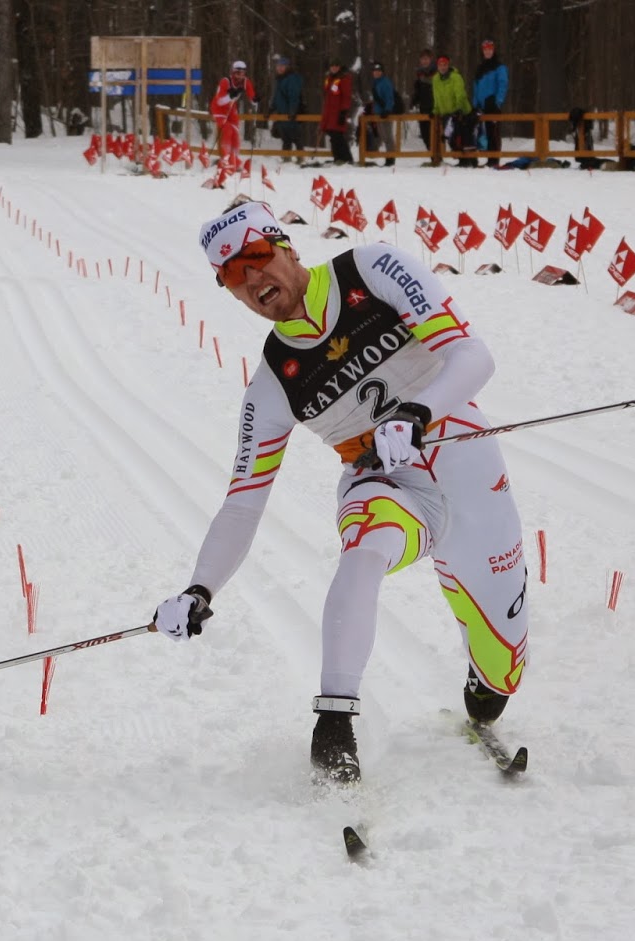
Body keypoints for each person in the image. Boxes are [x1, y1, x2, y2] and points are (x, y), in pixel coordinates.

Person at [154, 197, 527, 784]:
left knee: (501, 674)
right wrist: (199, 589)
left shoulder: (371, 270)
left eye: (257, 256)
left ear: (286, 246)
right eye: (231, 274)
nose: (251, 279)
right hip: (388, 485)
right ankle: (334, 722)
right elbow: (243, 502)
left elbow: (473, 354)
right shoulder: (272, 385)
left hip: (468, 470)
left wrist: (419, 412)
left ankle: (486, 684)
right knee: (363, 551)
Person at [211, 60, 256, 167]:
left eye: (243, 73)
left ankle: (234, 159)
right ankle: (225, 158)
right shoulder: (225, 81)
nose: (240, 76)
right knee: (227, 129)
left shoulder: (245, 82)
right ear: (233, 72)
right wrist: (230, 96)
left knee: (235, 132)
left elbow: (252, 95)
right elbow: (219, 101)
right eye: (238, 73)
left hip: (231, 108)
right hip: (219, 109)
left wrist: (255, 99)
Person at [472, 38, 509, 167]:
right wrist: (475, 104)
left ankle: (494, 160)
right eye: (485, 49)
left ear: (493, 50)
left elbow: (503, 84)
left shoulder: (499, 67)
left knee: (493, 133)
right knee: (484, 133)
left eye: (490, 49)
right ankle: (489, 159)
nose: (487, 52)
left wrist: (498, 101)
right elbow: (475, 87)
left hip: (493, 105)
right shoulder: (480, 68)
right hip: (481, 106)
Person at [430, 54, 472, 164]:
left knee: (458, 137)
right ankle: (463, 160)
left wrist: (458, 108)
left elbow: (460, 94)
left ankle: (467, 160)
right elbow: (436, 97)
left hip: (459, 112)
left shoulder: (455, 77)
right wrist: (435, 111)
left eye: (445, 65)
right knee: (450, 138)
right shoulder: (435, 79)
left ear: (448, 65)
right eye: (440, 65)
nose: (443, 67)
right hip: (445, 113)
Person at [268, 55, 305, 157]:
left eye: (282, 66)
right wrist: (271, 108)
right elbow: (277, 97)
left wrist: (292, 110)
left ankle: (300, 158)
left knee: (295, 137)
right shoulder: (280, 79)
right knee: (286, 138)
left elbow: (294, 96)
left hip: (290, 114)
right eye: (278, 66)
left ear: (287, 67)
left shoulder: (291, 79)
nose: (280, 68)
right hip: (282, 114)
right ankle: (286, 158)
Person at [320, 59, 355, 164]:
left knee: (338, 136)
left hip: (338, 113)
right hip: (330, 113)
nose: (334, 68)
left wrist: (343, 111)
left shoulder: (343, 79)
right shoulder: (330, 78)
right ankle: (338, 158)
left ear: (339, 67)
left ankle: (346, 158)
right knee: (333, 136)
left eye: (336, 66)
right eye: (332, 66)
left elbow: (346, 97)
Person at [365, 61, 399, 163]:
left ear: (382, 72)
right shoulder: (376, 83)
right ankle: (389, 157)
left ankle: (391, 158)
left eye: (379, 71)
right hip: (378, 113)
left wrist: (387, 110)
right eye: (375, 71)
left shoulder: (385, 82)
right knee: (384, 136)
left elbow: (389, 98)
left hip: (385, 113)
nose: (376, 73)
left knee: (388, 136)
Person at [410, 50, 436, 150]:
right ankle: (431, 153)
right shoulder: (419, 74)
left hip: (434, 107)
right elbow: (418, 91)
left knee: (434, 133)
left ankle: (436, 155)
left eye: (426, 59)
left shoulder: (436, 72)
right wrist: (414, 100)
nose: (424, 61)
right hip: (423, 107)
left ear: (430, 59)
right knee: (425, 134)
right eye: (422, 59)